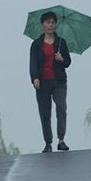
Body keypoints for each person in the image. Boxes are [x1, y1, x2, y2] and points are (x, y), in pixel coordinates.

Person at [29, 10, 72, 152]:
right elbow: (33, 63)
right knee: (45, 112)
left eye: (53, 22)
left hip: (58, 81)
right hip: (42, 83)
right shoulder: (36, 44)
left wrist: (62, 59)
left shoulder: (61, 42)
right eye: (48, 22)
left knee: (61, 108)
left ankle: (61, 140)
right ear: (42, 25)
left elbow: (68, 62)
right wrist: (35, 78)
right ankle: (48, 143)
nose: (51, 25)